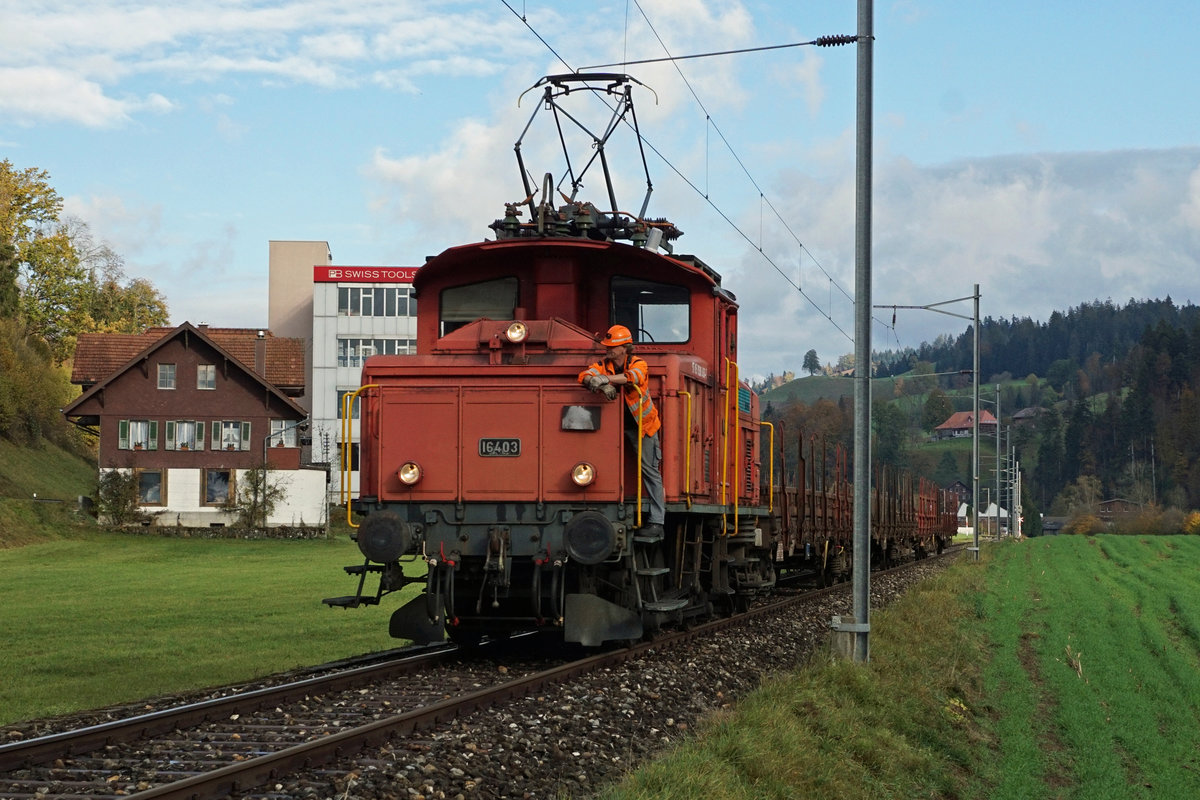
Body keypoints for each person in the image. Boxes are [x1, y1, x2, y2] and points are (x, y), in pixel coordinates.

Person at [578, 324, 665, 536]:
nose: (608, 349)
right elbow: (584, 375)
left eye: (613, 346)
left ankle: (657, 522)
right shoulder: (603, 364)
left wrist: (606, 380)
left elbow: (633, 377)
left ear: (625, 347)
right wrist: (597, 384)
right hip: (614, 429)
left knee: (650, 471)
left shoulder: (638, 363)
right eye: (607, 346)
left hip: (643, 426)